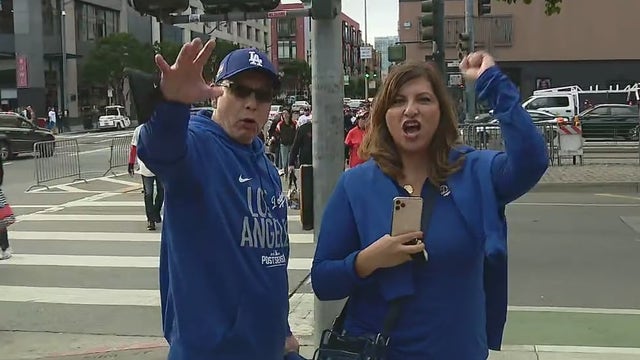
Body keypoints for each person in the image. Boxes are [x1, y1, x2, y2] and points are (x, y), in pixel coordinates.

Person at [311, 52, 548, 359]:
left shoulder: (475, 172)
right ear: (384, 113)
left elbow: (531, 161)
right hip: (376, 350)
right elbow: (323, 281)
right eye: (398, 101)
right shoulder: (356, 185)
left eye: (423, 99)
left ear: (441, 112)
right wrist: (368, 260)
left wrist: (492, 83)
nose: (410, 110)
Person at [135, 39, 299, 359]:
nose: (251, 103)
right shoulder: (198, 145)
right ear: (217, 92)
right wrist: (172, 104)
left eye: (263, 95)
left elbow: (270, 259)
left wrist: (283, 330)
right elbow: (158, 150)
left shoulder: (264, 165)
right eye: (239, 90)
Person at [128, 123, 164, 231]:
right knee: (148, 193)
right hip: (145, 166)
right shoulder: (139, 130)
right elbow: (134, 147)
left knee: (161, 191)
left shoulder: (161, 127)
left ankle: (156, 212)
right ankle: (151, 220)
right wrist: (131, 163)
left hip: (161, 166)